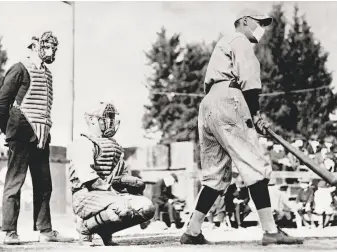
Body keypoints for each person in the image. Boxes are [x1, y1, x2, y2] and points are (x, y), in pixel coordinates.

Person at [180, 8, 303, 245]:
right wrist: (255, 114)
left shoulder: (223, 44)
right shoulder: (240, 40)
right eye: (259, 23)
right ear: (245, 21)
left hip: (208, 105)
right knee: (254, 164)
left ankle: (192, 231)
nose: (262, 29)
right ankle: (270, 230)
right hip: (230, 98)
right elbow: (248, 78)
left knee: (215, 175)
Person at [0, 31, 73, 245]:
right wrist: (8, 130)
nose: (50, 51)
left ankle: (45, 230)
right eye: (46, 46)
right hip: (21, 131)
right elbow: (2, 102)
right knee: (15, 181)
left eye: (53, 47)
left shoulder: (47, 74)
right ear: (34, 47)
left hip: (41, 134)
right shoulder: (20, 68)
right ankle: (9, 231)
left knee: (43, 183)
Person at [69, 101, 155, 246]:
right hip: (85, 196)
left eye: (111, 117)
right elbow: (89, 179)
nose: (110, 121)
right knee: (122, 206)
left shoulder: (115, 146)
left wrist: (130, 185)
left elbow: (121, 176)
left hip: (108, 195)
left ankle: (105, 231)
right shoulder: (83, 142)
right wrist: (114, 193)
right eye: (105, 117)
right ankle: (85, 229)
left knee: (147, 208)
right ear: (91, 120)